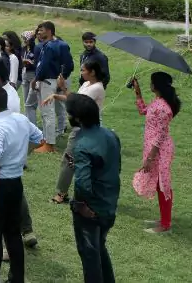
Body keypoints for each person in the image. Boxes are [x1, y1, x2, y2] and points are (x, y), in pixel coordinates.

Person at [0, 85, 43, 283]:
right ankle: (17, 279)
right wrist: (21, 157)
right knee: (13, 234)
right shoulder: (21, 119)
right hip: (16, 184)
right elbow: (40, 139)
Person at [66, 94, 121, 283]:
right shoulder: (111, 135)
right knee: (100, 248)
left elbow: (82, 184)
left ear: (78, 118)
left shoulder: (82, 145)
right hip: (109, 203)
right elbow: (111, 166)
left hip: (91, 210)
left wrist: (81, 205)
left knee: (89, 256)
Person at [46, 58, 107, 205]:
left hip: (85, 128)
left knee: (69, 159)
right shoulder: (86, 84)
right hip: (80, 126)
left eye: (83, 70)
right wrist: (56, 95)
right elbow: (71, 99)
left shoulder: (97, 88)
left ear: (92, 72)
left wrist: (63, 87)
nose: (81, 73)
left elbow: (78, 103)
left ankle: (62, 194)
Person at [132, 71, 180, 234]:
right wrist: (137, 92)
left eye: (151, 82)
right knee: (160, 184)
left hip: (159, 151)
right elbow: (143, 111)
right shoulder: (158, 102)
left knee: (163, 184)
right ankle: (163, 219)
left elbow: (160, 136)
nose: (150, 84)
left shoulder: (164, 108)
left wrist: (150, 158)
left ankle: (165, 224)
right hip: (154, 149)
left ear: (156, 85)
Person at [30, 21, 71, 153]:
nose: (39, 33)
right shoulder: (62, 44)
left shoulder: (48, 46)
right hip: (56, 81)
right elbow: (69, 64)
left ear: (48, 31)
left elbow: (43, 65)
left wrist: (35, 79)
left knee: (47, 113)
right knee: (53, 111)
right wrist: (63, 77)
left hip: (47, 81)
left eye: (41, 30)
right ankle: (47, 140)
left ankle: (49, 144)